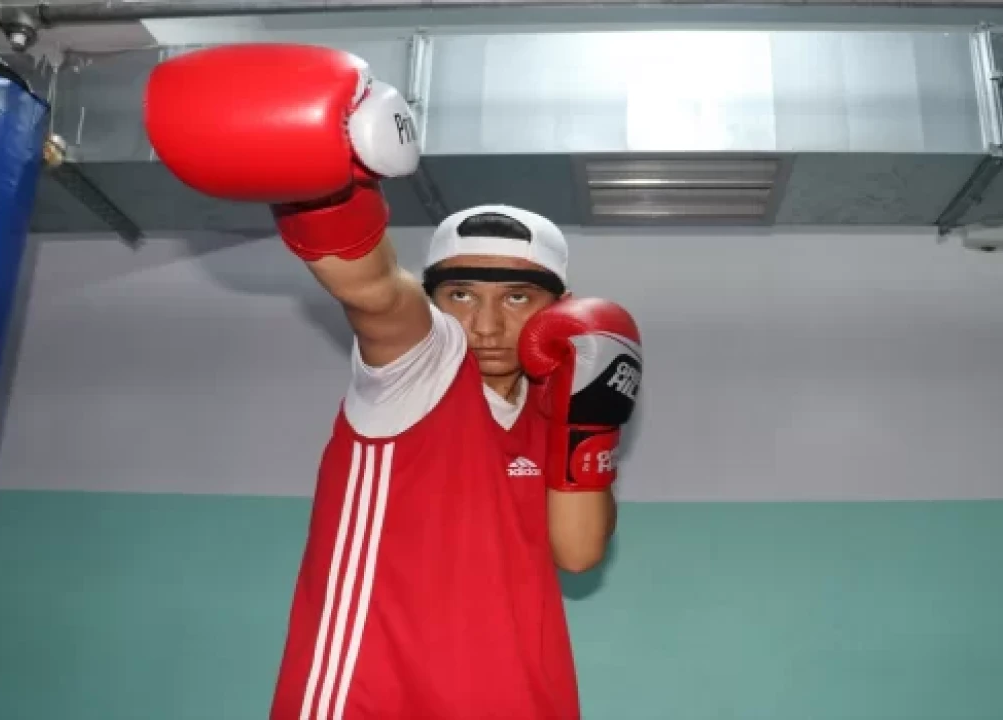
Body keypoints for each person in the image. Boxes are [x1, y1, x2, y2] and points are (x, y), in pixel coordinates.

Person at [144, 44, 644, 719]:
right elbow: (373, 290)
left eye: (518, 298)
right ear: (435, 302)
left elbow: (578, 554)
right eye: (461, 295)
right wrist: (325, 184)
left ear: (559, 309)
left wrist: (588, 423)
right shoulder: (422, 364)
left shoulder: (554, 404)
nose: (486, 324)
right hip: (376, 699)